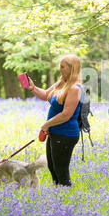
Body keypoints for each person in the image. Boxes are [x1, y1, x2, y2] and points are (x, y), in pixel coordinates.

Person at [27, 54, 83, 187]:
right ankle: (59, 200)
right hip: (54, 133)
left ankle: (68, 201)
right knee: (53, 169)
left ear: (71, 69)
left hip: (65, 134)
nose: (59, 69)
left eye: (62, 67)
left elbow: (66, 115)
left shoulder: (74, 88)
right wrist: (33, 88)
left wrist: (46, 124)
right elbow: (46, 95)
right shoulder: (61, 83)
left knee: (61, 172)